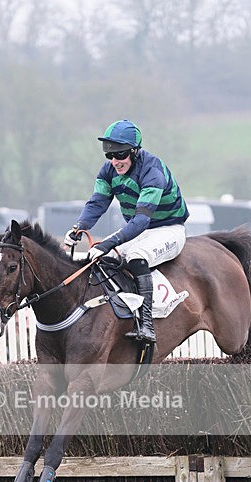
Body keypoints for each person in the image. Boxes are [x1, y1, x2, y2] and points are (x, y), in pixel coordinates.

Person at [64, 119, 189, 344]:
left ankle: (148, 324)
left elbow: (141, 220)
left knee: (136, 256)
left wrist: (107, 242)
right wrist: (79, 226)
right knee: (103, 259)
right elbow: (97, 203)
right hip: (140, 231)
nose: (114, 161)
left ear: (134, 151)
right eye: (109, 156)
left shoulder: (152, 170)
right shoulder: (108, 171)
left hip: (168, 229)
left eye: (120, 155)